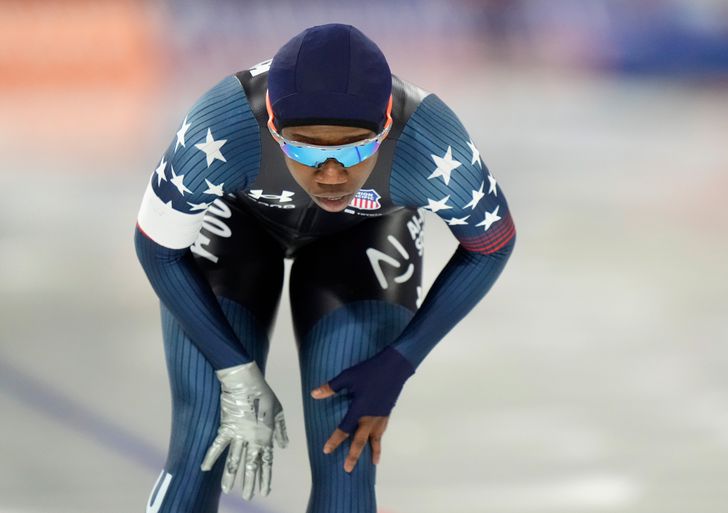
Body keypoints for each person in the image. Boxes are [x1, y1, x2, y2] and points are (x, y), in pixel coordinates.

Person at [135, 23, 516, 513]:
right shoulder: (222, 127)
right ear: (271, 127)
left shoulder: (431, 145)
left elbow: (492, 244)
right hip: (241, 226)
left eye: (356, 148)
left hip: (364, 237)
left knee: (346, 456)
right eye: (305, 148)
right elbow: (158, 249)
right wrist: (233, 369)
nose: (331, 175)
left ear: (386, 125)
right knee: (203, 437)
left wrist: (400, 362)